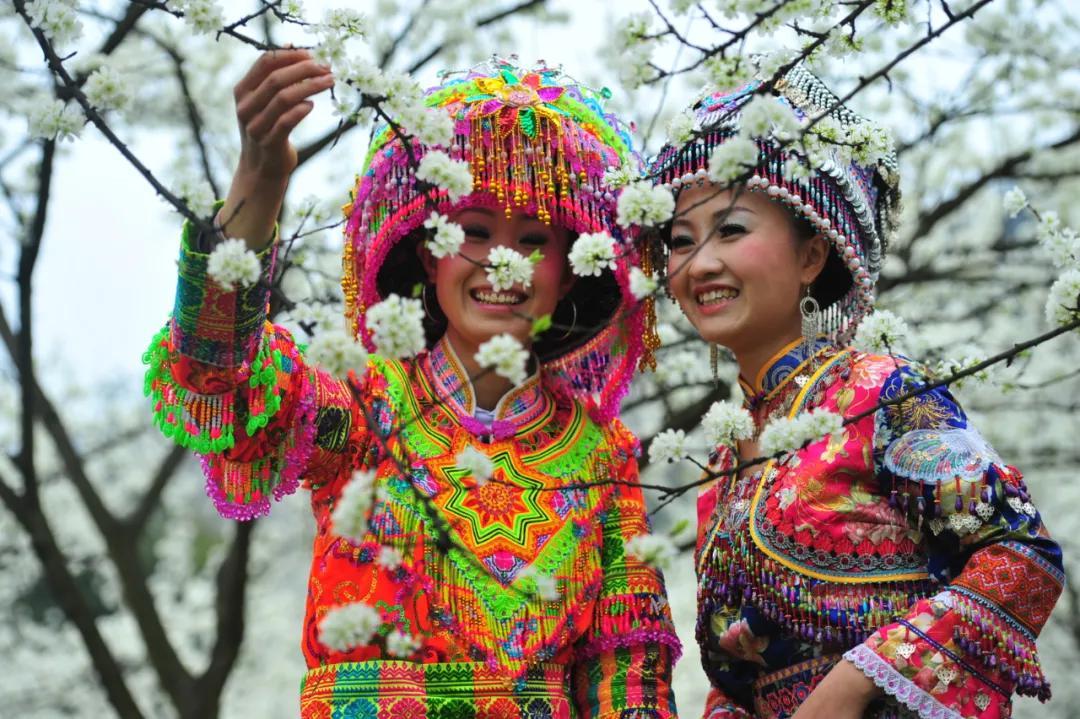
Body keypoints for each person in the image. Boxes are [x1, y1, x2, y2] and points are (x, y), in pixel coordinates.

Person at [144, 51, 681, 717]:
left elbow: (628, 673)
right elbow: (221, 388)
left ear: (571, 272)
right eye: (476, 231)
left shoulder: (604, 452)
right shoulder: (363, 406)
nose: (503, 262)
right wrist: (261, 179)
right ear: (429, 252)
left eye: (534, 238)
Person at [647, 64, 1063, 719]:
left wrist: (859, 679)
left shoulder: (885, 395)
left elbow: (1018, 555)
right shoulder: (724, 465)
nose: (699, 263)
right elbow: (736, 681)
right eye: (679, 240)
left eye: (730, 230)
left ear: (812, 255)